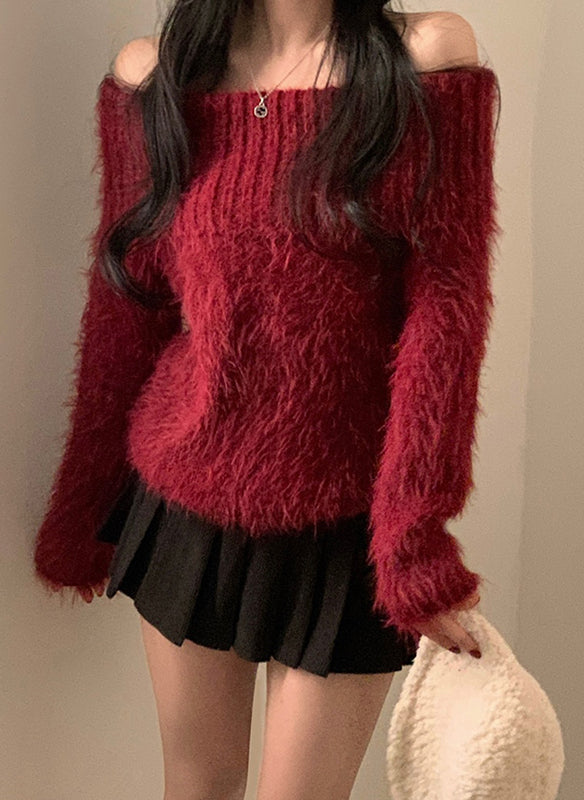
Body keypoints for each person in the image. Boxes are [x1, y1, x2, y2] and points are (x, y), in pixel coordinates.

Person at [33, 2, 500, 798]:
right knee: (197, 784)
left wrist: (414, 536)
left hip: (348, 521)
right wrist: (82, 505)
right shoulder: (155, 77)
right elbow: (126, 309)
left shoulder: (425, 58)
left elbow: (445, 310)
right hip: (186, 504)